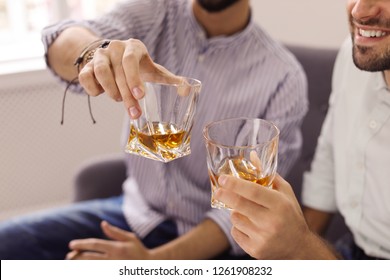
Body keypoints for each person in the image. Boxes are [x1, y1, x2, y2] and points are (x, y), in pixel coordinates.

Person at [0, 0, 307, 259]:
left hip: (205, 242)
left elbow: (242, 209)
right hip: (132, 212)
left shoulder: (283, 76)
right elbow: (60, 40)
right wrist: (96, 53)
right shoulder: (156, 12)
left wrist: (150, 263)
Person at [215, 0, 390, 260]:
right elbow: (328, 164)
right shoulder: (352, 54)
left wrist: (300, 247)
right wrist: (288, 246)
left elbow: (302, 247)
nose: (359, 11)